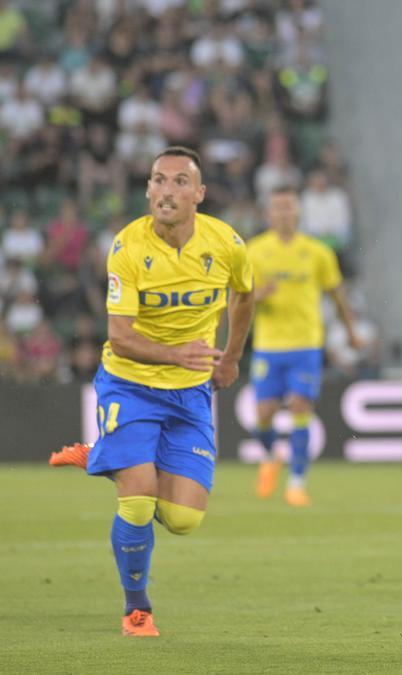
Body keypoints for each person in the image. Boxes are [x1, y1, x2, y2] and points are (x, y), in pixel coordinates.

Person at [48, 146, 255, 636]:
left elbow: (243, 295)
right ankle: (136, 609)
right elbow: (120, 335)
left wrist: (230, 357)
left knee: (182, 519)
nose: (167, 190)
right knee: (138, 501)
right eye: (159, 180)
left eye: (181, 181)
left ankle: (106, 456)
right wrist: (178, 354)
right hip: (131, 383)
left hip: (190, 394)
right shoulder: (127, 247)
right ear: (147, 189)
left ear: (199, 194)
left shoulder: (226, 243)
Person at [247, 185, 361, 507]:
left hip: (306, 344)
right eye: (278, 207)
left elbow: (337, 294)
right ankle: (271, 455)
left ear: (298, 212)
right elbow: (238, 299)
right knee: (263, 416)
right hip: (268, 345)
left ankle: (296, 483)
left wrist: (351, 331)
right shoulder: (254, 252)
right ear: (268, 213)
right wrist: (256, 296)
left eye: (289, 207)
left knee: (300, 407)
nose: (284, 213)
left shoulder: (317, 252)